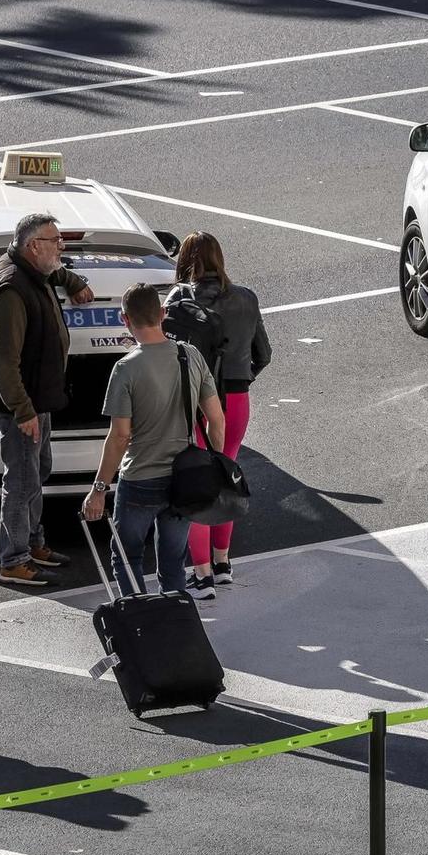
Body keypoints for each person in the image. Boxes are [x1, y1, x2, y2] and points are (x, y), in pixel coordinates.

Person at [80, 283, 225, 599]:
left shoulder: (125, 369)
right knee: (173, 560)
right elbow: (216, 419)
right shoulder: (190, 355)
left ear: (125, 320)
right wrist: (216, 464)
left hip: (140, 480)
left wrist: (99, 489)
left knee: (127, 557)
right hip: (182, 480)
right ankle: (173, 623)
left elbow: (120, 437)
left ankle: (139, 621)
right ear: (162, 314)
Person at [0, 211, 96, 587]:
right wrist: (23, 410)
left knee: (38, 468)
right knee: (23, 479)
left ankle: (33, 542)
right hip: (21, 405)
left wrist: (73, 280)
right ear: (33, 245)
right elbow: (3, 359)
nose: (60, 247)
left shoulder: (31, 267)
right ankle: (12, 560)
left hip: (36, 400)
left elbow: (54, 270)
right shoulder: (12, 290)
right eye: (54, 241)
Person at [164, 232, 271, 598]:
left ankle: (202, 573)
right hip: (237, 398)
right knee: (226, 474)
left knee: (195, 480)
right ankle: (223, 563)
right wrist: (242, 378)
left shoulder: (180, 297)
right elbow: (264, 353)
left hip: (195, 400)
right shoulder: (246, 298)